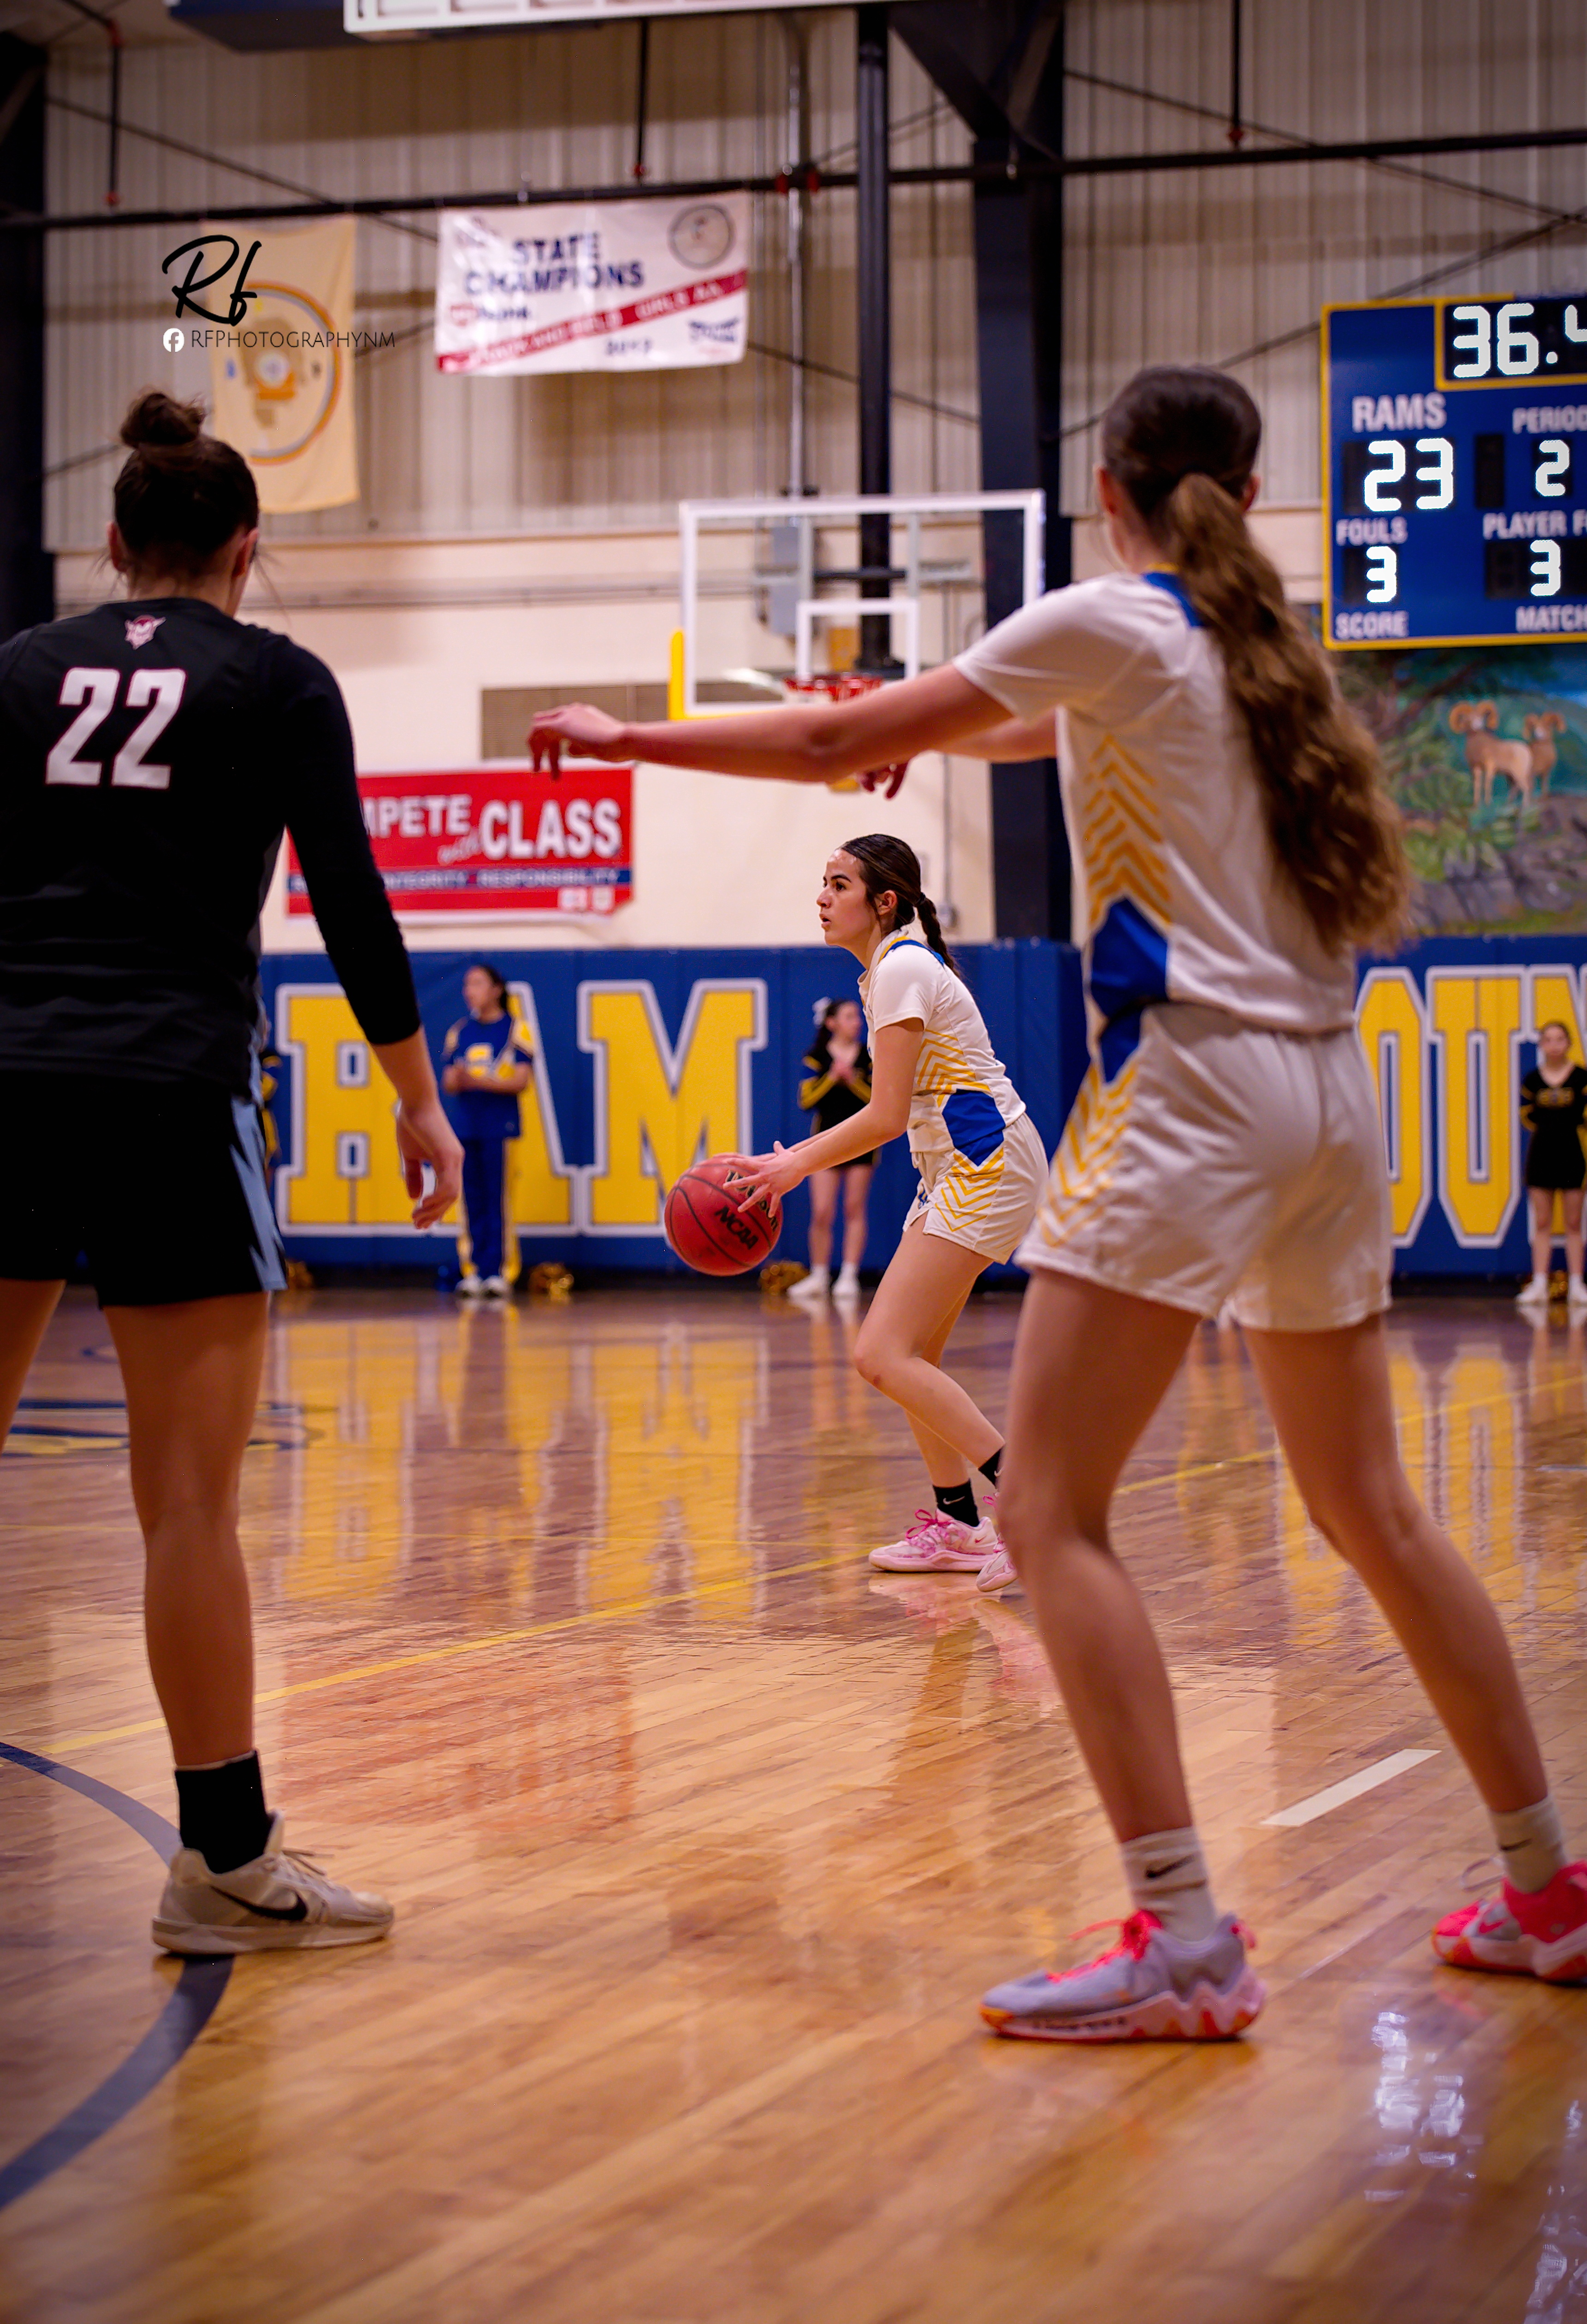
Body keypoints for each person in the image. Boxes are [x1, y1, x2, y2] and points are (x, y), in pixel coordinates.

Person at [528, 364, 1586, 2037]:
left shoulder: (1107, 615)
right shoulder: (1266, 653)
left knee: (1049, 1516)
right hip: (1332, 1091)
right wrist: (936, 721)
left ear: (1103, 487)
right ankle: (1542, 1887)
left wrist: (619, 736)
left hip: (1194, 1090)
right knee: (1371, 1508)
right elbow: (1031, 722)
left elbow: (825, 738)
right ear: (1241, 483)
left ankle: (1179, 1934)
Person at [0, 389, 462, 1957]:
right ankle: (220, 1861)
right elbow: (352, 906)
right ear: (245, 553)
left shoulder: (14, 672)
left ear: (115, 545)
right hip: (166, 1087)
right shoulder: (278, 682)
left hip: (2, 1075)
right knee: (184, 1505)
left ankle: (227, 1858)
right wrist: (421, 1107)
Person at [441, 961, 534, 1298]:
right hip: (466, 1126)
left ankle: (500, 1270)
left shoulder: (515, 1030)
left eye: (478, 983)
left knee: (498, 1198)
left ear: (496, 989)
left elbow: (521, 1081)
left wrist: (478, 1081)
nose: (470, 991)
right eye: (467, 984)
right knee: (470, 1199)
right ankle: (473, 1269)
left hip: (500, 1127)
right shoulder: (460, 1031)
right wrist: (458, 1079)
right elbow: (449, 1081)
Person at [789, 995, 876, 1305]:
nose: (857, 1022)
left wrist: (851, 1079)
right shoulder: (815, 1057)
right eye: (850, 1016)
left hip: (862, 1141)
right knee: (823, 1210)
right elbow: (806, 1100)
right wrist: (831, 1078)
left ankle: (849, 1275)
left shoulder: (869, 1057)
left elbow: (880, 1101)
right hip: (825, 1141)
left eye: (858, 1016)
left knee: (854, 1207)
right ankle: (819, 1274)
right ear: (832, 1023)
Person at [1516, 1019, 1587, 1310]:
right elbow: (1526, 1117)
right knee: (1543, 1222)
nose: (1555, 1045)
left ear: (1569, 1044)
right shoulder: (1532, 1080)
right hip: (1541, 1155)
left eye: (1560, 1039)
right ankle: (1540, 1284)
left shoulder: (1582, 1078)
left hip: (1573, 1154)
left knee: (1573, 1223)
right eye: (1549, 1040)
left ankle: (1577, 1285)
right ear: (1542, 1045)